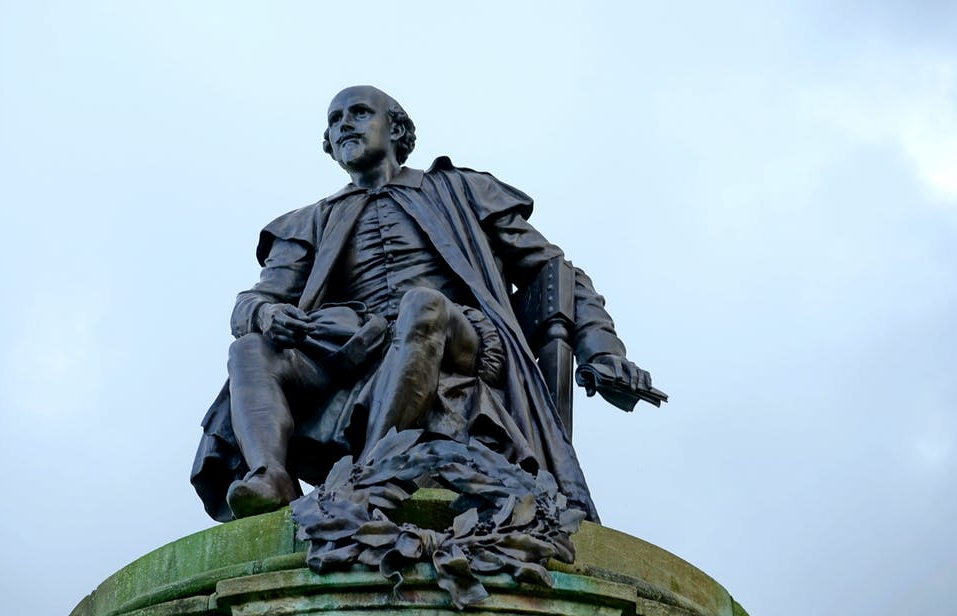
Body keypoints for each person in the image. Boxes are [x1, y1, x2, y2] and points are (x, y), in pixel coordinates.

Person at [191, 86, 656, 522]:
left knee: (423, 304)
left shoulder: (463, 190)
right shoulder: (306, 222)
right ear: (329, 145)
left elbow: (553, 272)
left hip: (460, 336)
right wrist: (268, 314)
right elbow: (255, 300)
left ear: (395, 129)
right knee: (248, 349)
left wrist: (603, 350)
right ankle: (270, 476)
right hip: (353, 348)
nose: (344, 125)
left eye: (358, 113)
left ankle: (368, 475)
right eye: (334, 121)